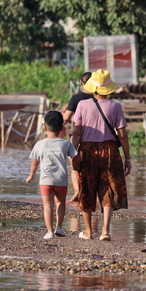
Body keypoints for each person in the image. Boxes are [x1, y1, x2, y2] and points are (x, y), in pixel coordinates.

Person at [71, 69, 131, 241]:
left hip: (87, 150)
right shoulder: (116, 106)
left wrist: (72, 153)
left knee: (87, 188)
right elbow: (123, 135)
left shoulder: (82, 105)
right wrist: (127, 158)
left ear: (93, 88)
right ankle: (105, 231)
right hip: (110, 151)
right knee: (108, 188)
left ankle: (89, 232)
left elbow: (76, 133)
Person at [26, 111, 78, 239]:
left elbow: (35, 162)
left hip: (46, 180)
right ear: (62, 129)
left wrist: (31, 175)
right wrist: (77, 167)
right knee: (61, 203)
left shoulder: (40, 144)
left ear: (45, 127)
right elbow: (76, 158)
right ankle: (59, 228)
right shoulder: (66, 144)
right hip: (61, 180)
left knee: (48, 206)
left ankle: (49, 231)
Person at [62, 72, 93, 203]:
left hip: (78, 137)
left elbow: (66, 118)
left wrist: (54, 126)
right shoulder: (98, 97)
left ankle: (77, 191)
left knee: (74, 164)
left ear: (81, 83)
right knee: (91, 166)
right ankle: (90, 193)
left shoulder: (76, 98)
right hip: (96, 137)